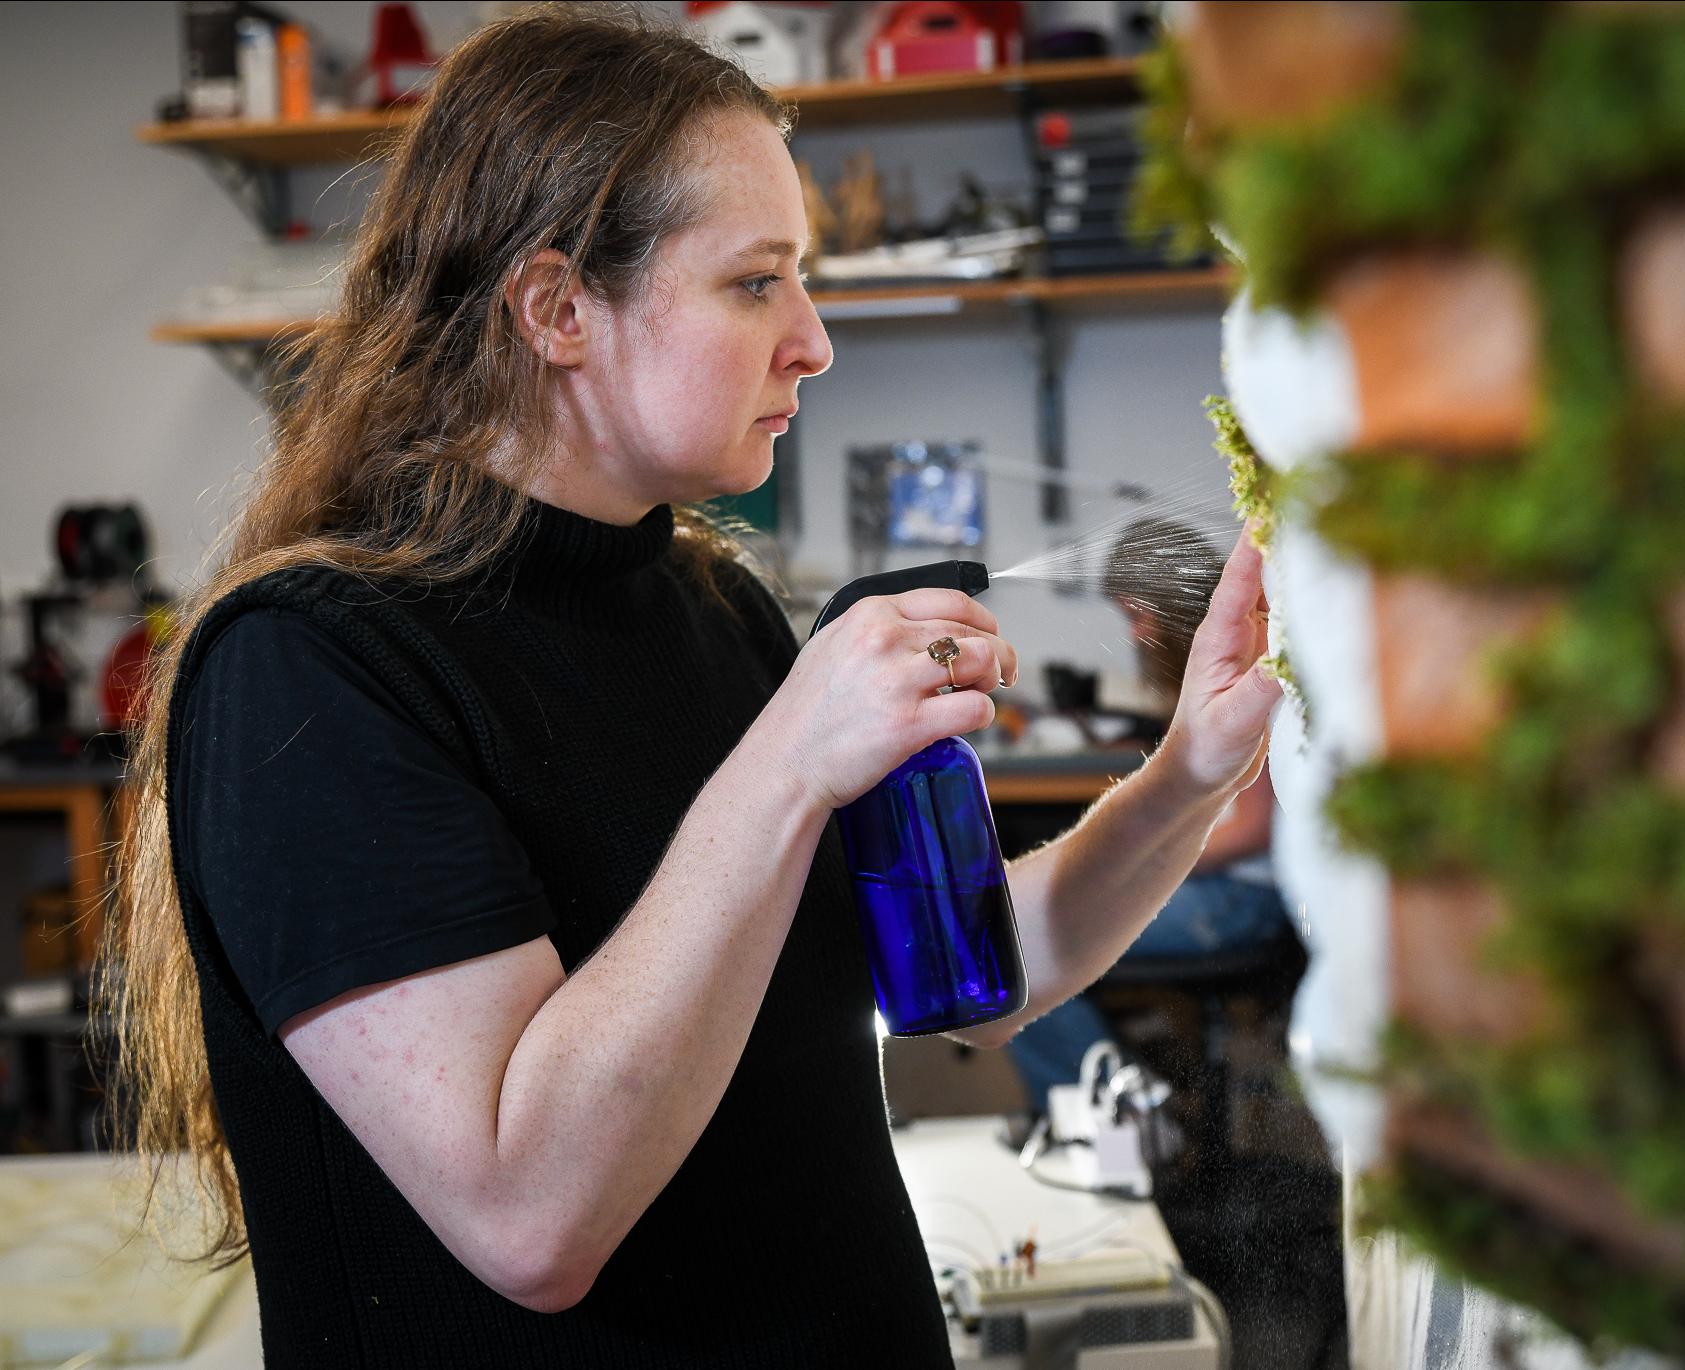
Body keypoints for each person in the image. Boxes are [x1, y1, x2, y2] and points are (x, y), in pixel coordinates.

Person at [101, 12, 1281, 1367]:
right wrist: (792, 760)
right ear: (557, 309)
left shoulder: (712, 608)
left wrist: (1191, 771)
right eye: (755, 282)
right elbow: (530, 1214)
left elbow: (959, 973)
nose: (813, 340)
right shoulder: (311, 667)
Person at [1006, 518, 1300, 1111]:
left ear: (1170, 600)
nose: (1136, 633)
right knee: (1015, 946)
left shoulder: (1246, 662)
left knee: (1013, 963)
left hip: (1240, 900)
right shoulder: (1211, 665)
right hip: (1220, 887)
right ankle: (1124, 1119)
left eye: (1139, 615)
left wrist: (1146, 861)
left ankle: (1127, 1126)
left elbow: (1252, 829)